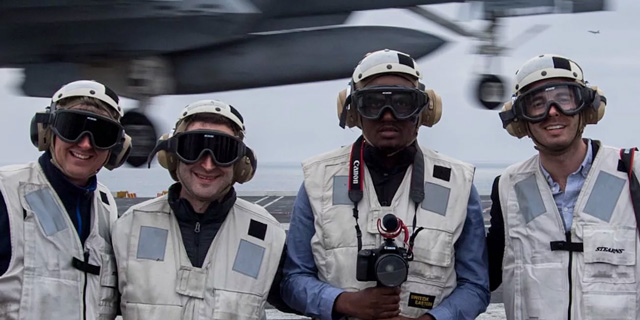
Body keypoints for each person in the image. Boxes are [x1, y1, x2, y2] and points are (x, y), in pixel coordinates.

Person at [281, 49, 490, 320]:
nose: (388, 115)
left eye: (402, 103)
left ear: (424, 111)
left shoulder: (458, 183)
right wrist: (344, 303)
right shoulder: (318, 179)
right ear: (353, 111)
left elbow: (475, 286)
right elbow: (293, 278)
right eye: (373, 103)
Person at [487, 54, 639, 319]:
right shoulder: (510, 187)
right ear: (520, 120)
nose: (553, 111)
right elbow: (479, 276)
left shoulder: (630, 175)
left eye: (564, 98)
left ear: (587, 107)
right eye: (537, 104)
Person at [112, 99, 291, 319]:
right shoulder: (129, 227)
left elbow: (304, 293)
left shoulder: (267, 235)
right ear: (172, 156)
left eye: (223, 151)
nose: (208, 164)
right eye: (193, 148)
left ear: (240, 164)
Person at [0, 80, 131, 319]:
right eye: (72, 127)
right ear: (47, 131)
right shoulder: (6, 193)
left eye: (101, 133)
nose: (85, 143)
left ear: (116, 147)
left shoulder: (106, 208)